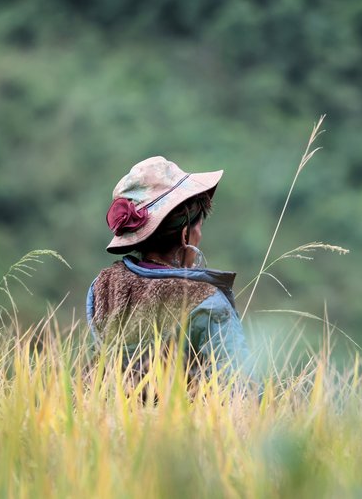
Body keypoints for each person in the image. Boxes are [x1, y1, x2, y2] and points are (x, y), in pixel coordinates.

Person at [86, 156, 250, 383]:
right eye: (198, 227)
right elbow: (240, 388)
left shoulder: (103, 288)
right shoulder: (208, 303)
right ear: (185, 235)